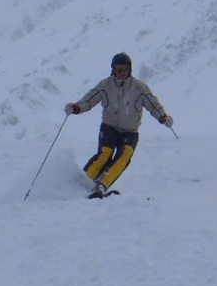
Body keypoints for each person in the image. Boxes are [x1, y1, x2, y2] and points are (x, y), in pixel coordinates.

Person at [65, 52, 173, 198]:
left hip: (130, 131)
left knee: (124, 156)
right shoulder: (106, 85)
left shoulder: (139, 88)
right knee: (105, 154)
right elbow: (90, 99)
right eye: (118, 69)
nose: (121, 72)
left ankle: (101, 185)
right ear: (113, 70)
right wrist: (77, 107)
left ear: (130, 69)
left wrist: (162, 117)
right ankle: (84, 181)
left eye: (124, 68)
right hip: (109, 127)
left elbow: (153, 104)